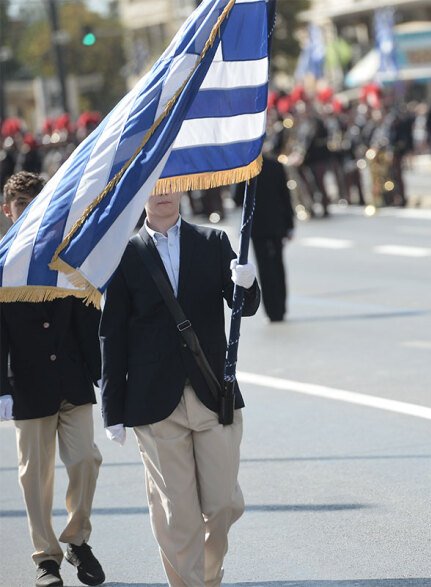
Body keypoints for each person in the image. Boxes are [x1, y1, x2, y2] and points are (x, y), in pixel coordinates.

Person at [100, 190, 261, 586]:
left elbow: (243, 306)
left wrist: (247, 283)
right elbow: (112, 335)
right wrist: (112, 410)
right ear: (141, 195)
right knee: (179, 515)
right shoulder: (123, 254)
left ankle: (207, 575)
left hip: (213, 393)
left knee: (223, 504)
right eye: (153, 187)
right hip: (153, 400)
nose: (163, 194)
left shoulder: (212, 240)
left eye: (169, 184)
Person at [1, 171, 105, 587]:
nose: (27, 210)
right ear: (7, 211)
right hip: (27, 387)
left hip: (72, 379)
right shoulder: (2, 263)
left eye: (34, 203)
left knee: (85, 459)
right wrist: (1, 389)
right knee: (34, 474)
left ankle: (77, 540)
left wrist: (104, 375)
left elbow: (87, 320)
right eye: (20, 204)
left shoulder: (67, 256)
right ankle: (46, 558)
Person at [234, 147, 295, 322]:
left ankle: (271, 310)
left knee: (264, 267)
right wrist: (290, 225)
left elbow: (237, 199)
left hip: (257, 226)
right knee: (278, 265)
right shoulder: (276, 166)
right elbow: (286, 197)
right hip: (277, 224)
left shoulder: (246, 170)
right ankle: (281, 308)